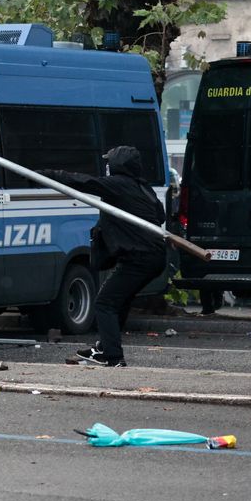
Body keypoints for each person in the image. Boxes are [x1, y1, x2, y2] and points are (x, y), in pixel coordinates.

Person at [40, 146, 166, 367]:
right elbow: (160, 214)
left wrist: (47, 175)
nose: (106, 167)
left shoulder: (119, 185)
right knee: (119, 301)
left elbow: (84, 182)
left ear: (118, 165)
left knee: (104, 303)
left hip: (139, 258)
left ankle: (112, 355)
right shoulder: (144, 188)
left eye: (109, 162)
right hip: (154, 257)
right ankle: (104, 346)